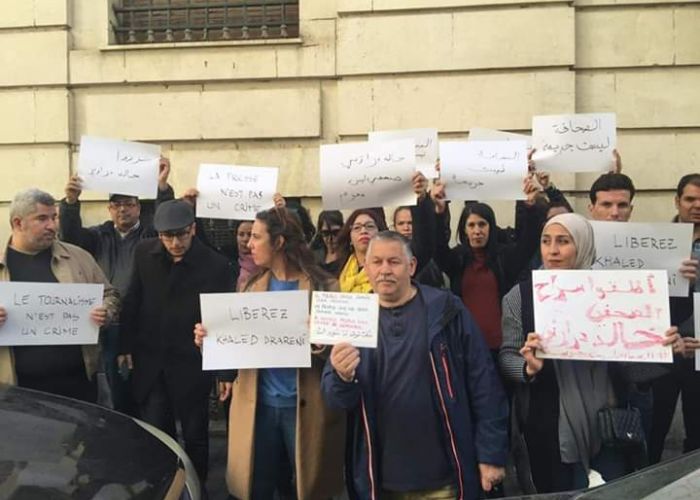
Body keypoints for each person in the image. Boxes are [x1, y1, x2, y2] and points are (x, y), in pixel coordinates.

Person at [499, 213, 686, 493]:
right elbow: (506, 356)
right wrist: (527, 368)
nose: (552, 250)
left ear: (584, 245)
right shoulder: (521, 296)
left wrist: (663, 351)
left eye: (563, 241)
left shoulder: (613, 292)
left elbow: (633, 371)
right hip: (549, 424)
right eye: (546, 241)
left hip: (611, 426)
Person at [322, 231, 509, 500]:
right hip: (381, 481)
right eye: (376, 262)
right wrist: (341, 375)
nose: (384, 270)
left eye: (393, 262)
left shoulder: (446, 311)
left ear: (411, 266)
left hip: (446, 476)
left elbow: (484, 384)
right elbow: (335, 399)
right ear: (365, 266)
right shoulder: (351, 319)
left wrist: (491, 454)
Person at [194, 207, 345, 500]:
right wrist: (211, 341)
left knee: (307, 488)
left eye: (256, 237)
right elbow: (238, 345)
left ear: (278, 242)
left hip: (306, 407)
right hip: (258, 406)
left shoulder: (326, 287)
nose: (249, 243)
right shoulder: (250, 287)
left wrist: (321, 342)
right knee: (256, 487)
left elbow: (346, 353)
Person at [118, 199, 234, 489]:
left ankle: (197, 488)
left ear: (193, 229)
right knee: (159, 432)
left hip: (191, 363)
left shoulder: (217, 265)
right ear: (158, 235)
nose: (176, 242)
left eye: (182, 234)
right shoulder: (144, 253)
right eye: (168, 236)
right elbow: (133, 299)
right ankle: (165, 487)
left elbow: (224, 322)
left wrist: (224, 372)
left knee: (196, 434)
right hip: (152, 360)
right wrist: (124, 345)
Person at [59, 157, 173, 413]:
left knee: (143, 382)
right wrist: (70, 203)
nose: (123, 210)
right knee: (111, 382)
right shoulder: (98, 235)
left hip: (141, 322)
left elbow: (168, 224)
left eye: (129, 204)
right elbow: (71, 236)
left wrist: (162, 188)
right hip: (107, 322)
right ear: (109, 209)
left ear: (139, 208)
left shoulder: (151, 235)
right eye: (117, 205)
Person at [0, 189, 118, 403]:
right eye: (42, 219)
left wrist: (106, 311)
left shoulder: (78, 257)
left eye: (54, 217)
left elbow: (110, 294)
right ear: (18, 223)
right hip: (17, 392)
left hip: (79, 384)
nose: (52, 226)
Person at [428, 177, 541, 355]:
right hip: (466, 348)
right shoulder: (457, 260)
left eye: (482, 224)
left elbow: (529, 242)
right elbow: (437, 246)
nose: (477, 230)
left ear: (491, 227)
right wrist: (440, 211)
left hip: (503, 349)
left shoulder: (505, 258)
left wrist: (529, 206)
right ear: (464, 229)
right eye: (471, 225)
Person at [648, 173, 700, 464]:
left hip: (699, 349)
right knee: (654, 427)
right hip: (663, 347)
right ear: (677, 201)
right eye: (690, 199)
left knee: (697, 431)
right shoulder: (655, 240)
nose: (696, 205)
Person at [335, 172, 433, 292]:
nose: (363, 231)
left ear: (381, 233)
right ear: (349, 236)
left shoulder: (396, 264)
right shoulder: (337, 269)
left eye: (370, 226)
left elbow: (424, 244)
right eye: (357, 227)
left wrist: (420, 199)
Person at [393, 205, 445, 288]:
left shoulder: (428, 259)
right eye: (401, 223)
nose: (406, 228)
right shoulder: (389, 253)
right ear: (394, 227)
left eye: (411, 223)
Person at [310, 210, 344, 275]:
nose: (330, 238)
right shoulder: (314, 255)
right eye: (326, 233)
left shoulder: (350, 254)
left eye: (335, 232)